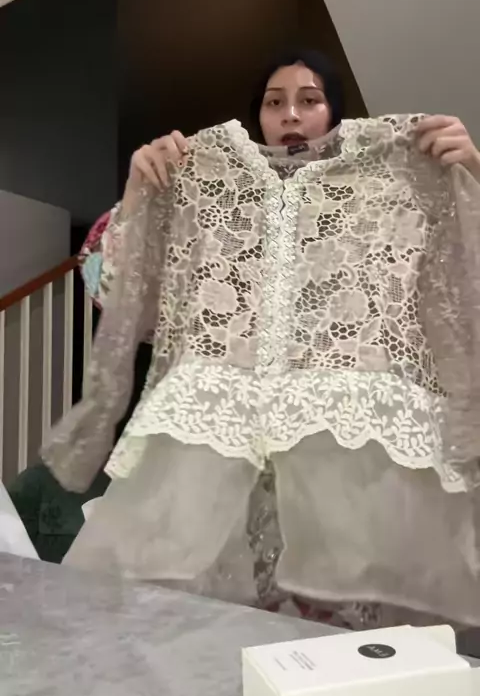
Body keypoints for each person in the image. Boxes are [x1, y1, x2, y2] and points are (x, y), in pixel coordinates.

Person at [44, 48, 480, 629]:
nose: (291, 114)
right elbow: (110, 284)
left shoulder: (398, 176)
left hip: (347, 444)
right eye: (275, 103)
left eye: (309, 99)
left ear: (336, 113)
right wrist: (138, 190)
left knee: (361, 639)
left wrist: (471, 175)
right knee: (190, 631)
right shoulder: (202, 182)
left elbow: (464, 282)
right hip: (214, 441)